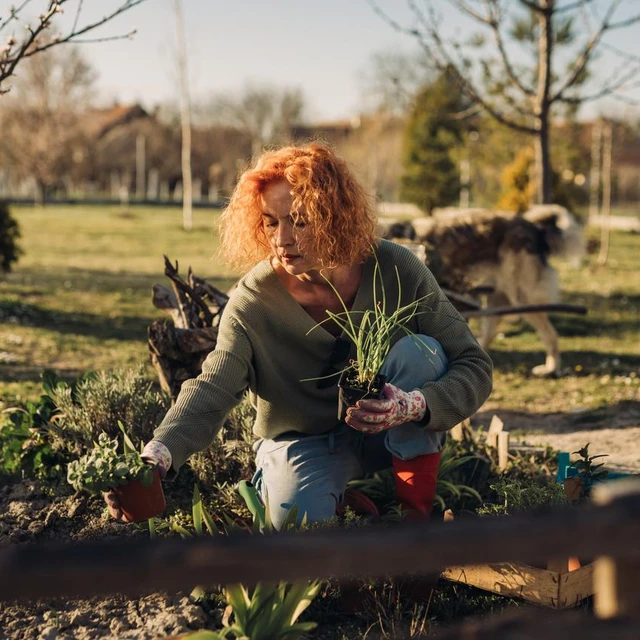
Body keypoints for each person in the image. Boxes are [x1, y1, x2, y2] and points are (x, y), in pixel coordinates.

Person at [106, 143, 493, 529]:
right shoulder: (253, 301)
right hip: (302, 444)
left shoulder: (395, 267)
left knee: (418, 353)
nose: (282, 239)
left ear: (335, 217)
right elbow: (214, 386)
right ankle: (329, 497)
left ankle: (415, 525)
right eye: (271, 221)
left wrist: (412, 406)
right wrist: (158, 453)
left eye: (300, 221)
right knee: (296, 530)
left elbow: (473, 365)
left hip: (390, 430)